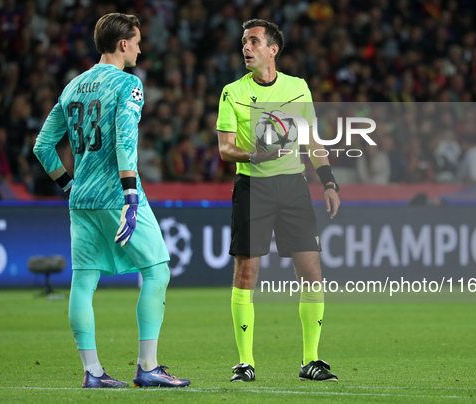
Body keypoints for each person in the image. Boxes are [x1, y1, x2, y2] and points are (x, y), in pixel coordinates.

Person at [33, 13, 190, 389]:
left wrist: (70, 186)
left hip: (81, 200)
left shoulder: (72, 87)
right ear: (123, 44)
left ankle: (94, 373)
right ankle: (148, 367)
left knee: (83, 282)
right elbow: (124, 141)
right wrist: (131, 194)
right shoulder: (128, 85)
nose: (139, 47)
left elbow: (42, 147)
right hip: (116, 195)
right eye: (136, 41)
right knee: (156, 270)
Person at [216, 19, 340, 382]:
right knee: (246, 272)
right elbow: (225, 149)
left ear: (273, 50)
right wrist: (255, 155)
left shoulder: (298, 88)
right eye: (244, 42)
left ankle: (311, 360)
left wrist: (328, 181)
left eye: (254, 41)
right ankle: (244, 362)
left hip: (293, 188)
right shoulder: (232, 93)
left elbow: (312, 140)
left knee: (312, 272)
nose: (246, 48)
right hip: (253, 188)